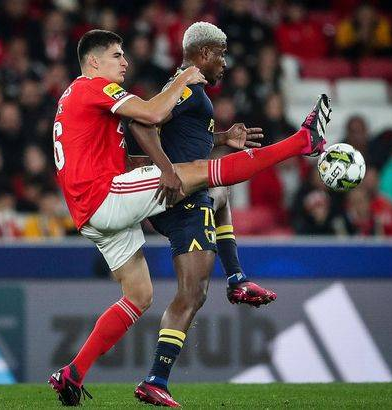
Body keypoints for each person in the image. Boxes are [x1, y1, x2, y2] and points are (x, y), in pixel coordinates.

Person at [48, 29, 330, 406]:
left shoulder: (74, 99)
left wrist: (198, 151)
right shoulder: (93, 87)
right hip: (104, 197)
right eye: (117, 55)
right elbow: (150, 115)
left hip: (90, 211)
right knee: (204, 174)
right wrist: (183, 78)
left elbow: (126, 159)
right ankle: (301, 142)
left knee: (139, 296)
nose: (125, 62)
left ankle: (73, 372)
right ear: (94, 62)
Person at [124, 22, 277, 407]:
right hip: (183, 201)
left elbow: (183, 140)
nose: (224, 63)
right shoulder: (188, 87)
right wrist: (167, 171)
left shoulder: (191, 90)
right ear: (205, 53)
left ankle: (237, 278)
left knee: (222, 193)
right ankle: (155, 379)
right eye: (221, 54)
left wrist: (222, 139)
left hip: (188, 196)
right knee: (192, 293)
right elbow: (142, 122)